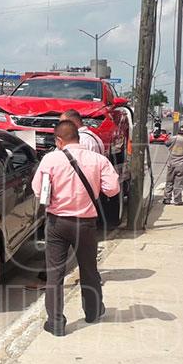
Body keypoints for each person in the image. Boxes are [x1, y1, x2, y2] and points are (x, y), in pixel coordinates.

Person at [32, 121, 120, 336]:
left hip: (56, 223)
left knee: (55, 274)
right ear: (78, 138)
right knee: (89, 270)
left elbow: (38, 191)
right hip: (86, 224)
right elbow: (113, 189)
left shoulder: (50, 159)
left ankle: (55, 323)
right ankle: (93, 312)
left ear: (59, 140)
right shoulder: (99, 160)